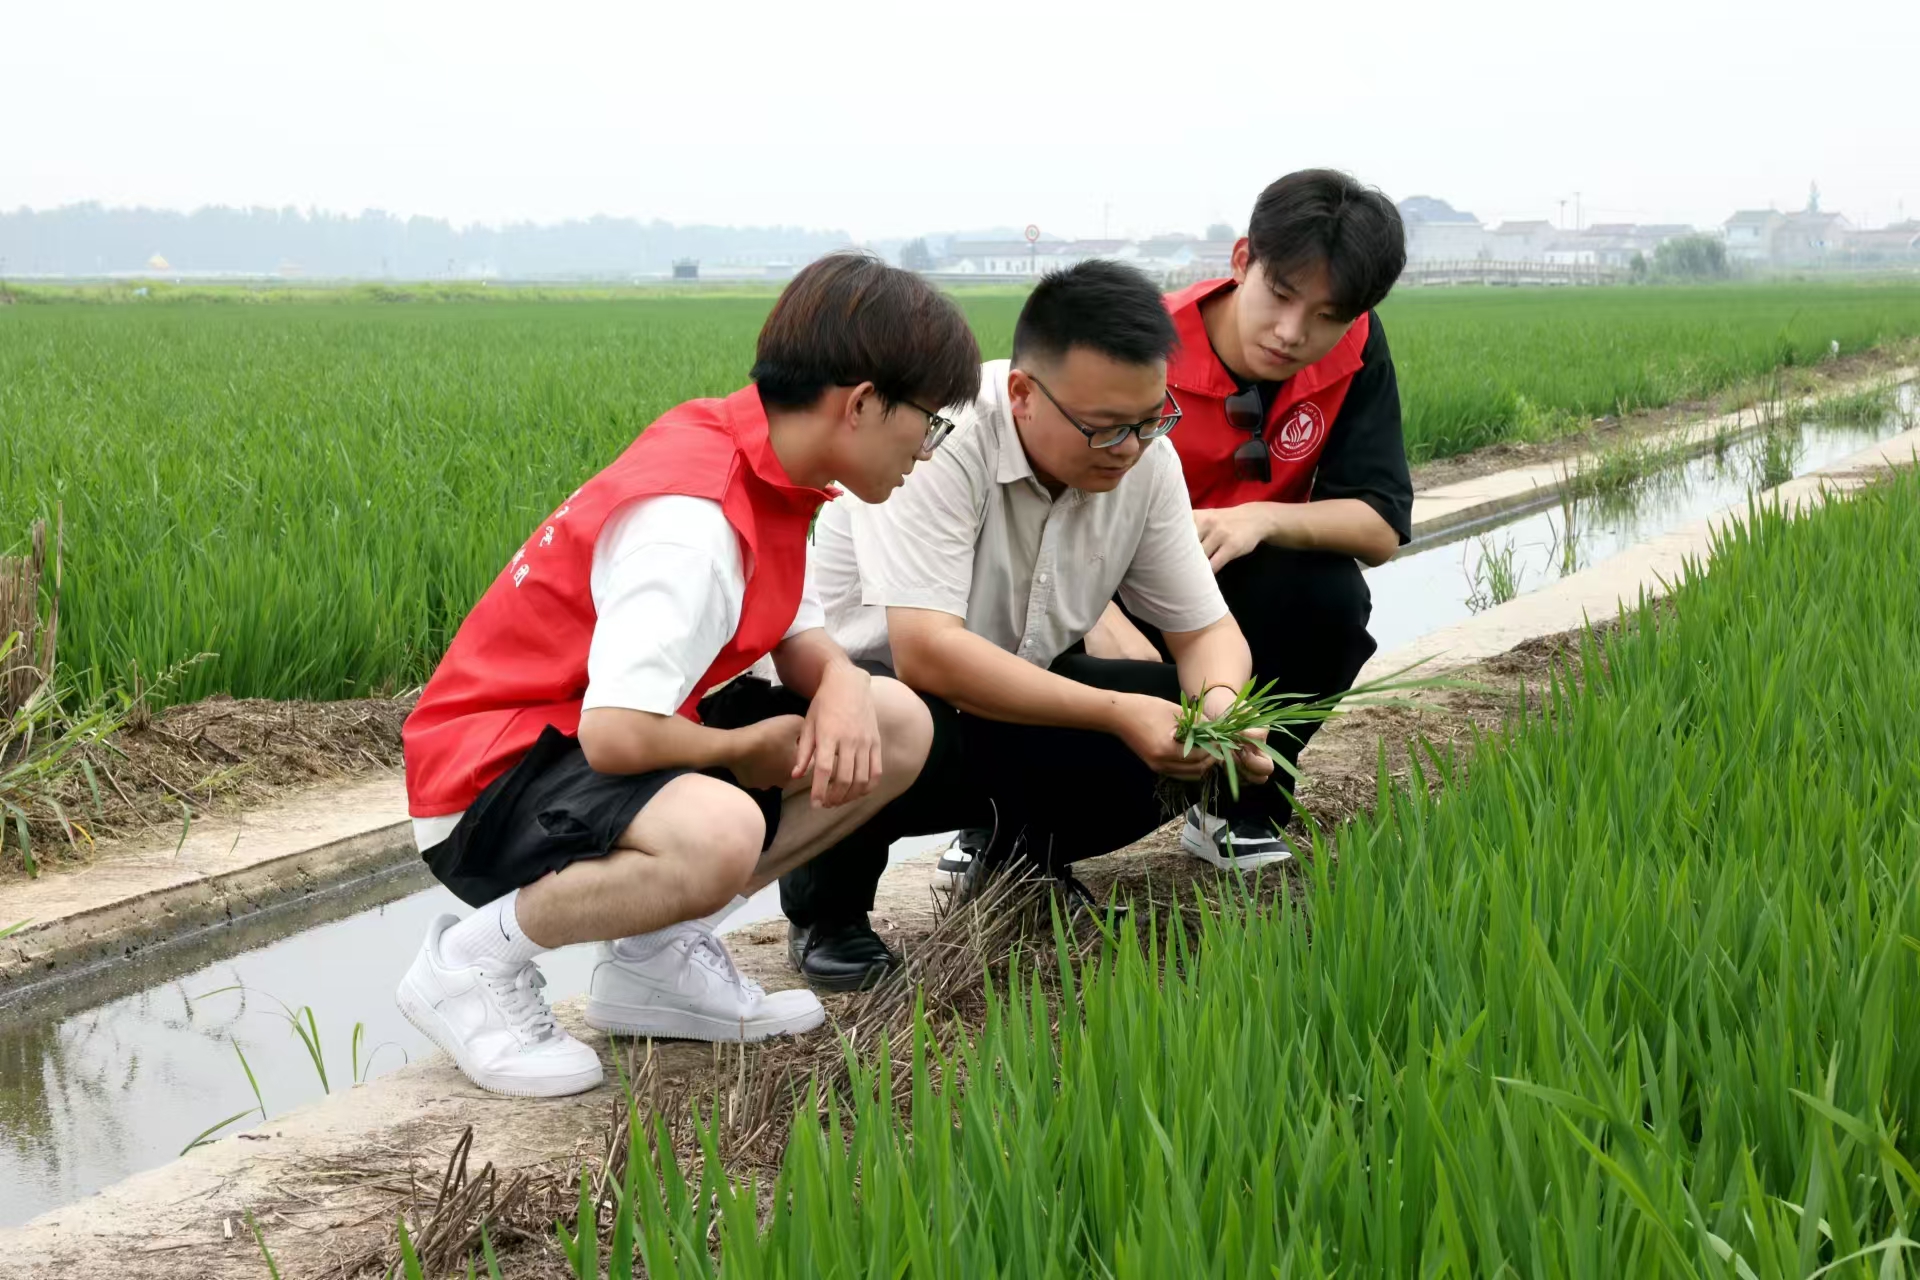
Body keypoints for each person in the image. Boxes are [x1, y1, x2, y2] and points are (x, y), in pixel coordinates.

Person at [397, 253, 980, 1097]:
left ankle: (652, 962)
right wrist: (743, 750)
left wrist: (846, 687)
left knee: (894, 722)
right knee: (717, 831)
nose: (927, 452)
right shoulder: (693, 524)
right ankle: (470, 961)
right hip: (490, 774)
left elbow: (799, 629)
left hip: (585, 728)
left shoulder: (769, 460)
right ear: (859, 404)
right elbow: (616, 730)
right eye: (928, 423)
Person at [780, 259, 1272, 991]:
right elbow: (926, 653)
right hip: (866, 697)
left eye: (1149, 420)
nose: (1131, 449)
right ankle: (829, 912)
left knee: (1173, 707)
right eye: (1105, 430)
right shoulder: (939, 437)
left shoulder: (1145, 461)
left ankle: (1019, 862)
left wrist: (1223, 713)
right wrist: (1116, 711)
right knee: (893, 716)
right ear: (1022, 394)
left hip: (1012, 686)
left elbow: (1205, 633)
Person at [1083, 168, 1412, 868]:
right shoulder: (1139, 347)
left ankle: (1237, 807)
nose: (1294, 333)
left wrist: (1259, 519)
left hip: (1228, 590)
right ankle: (1009, 832)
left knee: (1330, 596)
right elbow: (1036, 519)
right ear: (1241, 261)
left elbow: (1380, 524)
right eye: (1282, 296)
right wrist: (1091, 616)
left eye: (1329, 316)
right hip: (1100, 592)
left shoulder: (1356, 351)